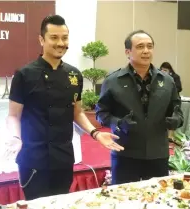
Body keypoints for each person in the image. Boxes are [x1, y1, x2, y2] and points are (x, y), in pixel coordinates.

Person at [7, 15, 123, 200]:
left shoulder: (74, 74)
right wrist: (15, 137)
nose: (61, 43)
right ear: (41, 39)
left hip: (63, 156)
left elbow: (77, 112)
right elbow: (13, 115)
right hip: (33, 157)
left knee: (61, 202)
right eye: (54, 37)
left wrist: (96, 133)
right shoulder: (24, 74)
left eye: (64, 38)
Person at [96, 30, 184, 184]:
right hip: (125, 153)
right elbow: (101, 113)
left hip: (157, 154)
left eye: (149, 46)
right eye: (140, 47)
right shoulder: (113, 80)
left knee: (157, 201)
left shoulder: (168, 81)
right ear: (128, 51)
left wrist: (176, 120)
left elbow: (177, 111)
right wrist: (117, 123)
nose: (146, 51)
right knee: (124, 200)